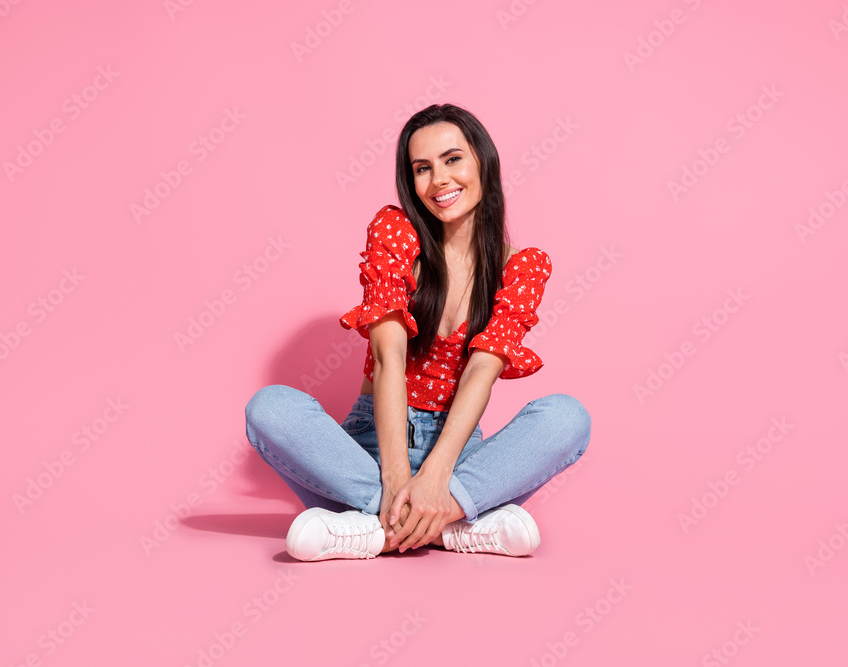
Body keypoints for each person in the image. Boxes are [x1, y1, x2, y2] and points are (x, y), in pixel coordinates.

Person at [244, 103, 590, 561]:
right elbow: (389, 360)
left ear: (483, 161)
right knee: (269, 408)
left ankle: (372, 530)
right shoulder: (395, 233)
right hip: (371, 449)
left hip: (458, 456)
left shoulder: (522, 266)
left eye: (452, 160)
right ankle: (451, 527)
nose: (439, 180)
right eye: (422, 169)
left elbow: (480, 375)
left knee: (567, 418)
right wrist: (396, 478)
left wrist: (435, 478)